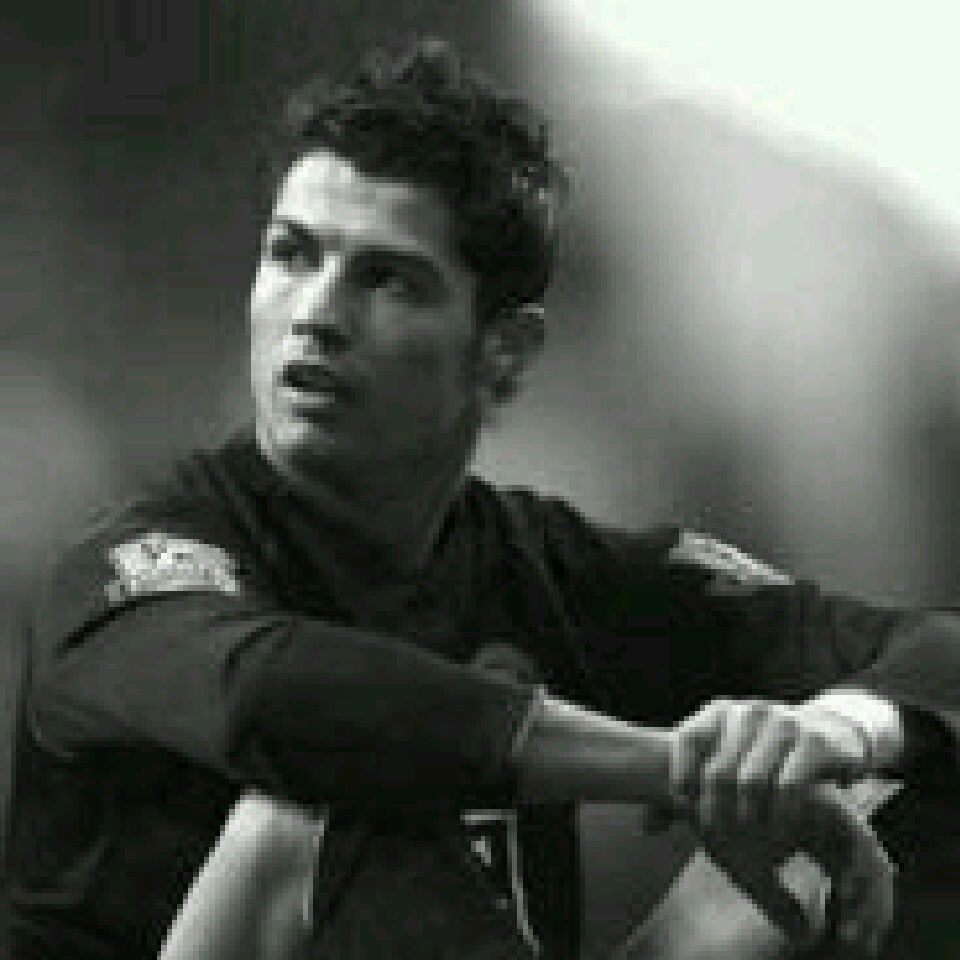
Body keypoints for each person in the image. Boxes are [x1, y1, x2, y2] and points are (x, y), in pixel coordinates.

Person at [6, 37, 959, 960]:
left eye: (387, 279)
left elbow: (934, 650)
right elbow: (282, 705)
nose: (316, 314)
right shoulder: (130, 571)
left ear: (504, 350)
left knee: (893, 790)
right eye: (292, 255)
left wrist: (824, 739)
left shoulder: (551, 572)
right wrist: (677, 766)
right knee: (317, 817)